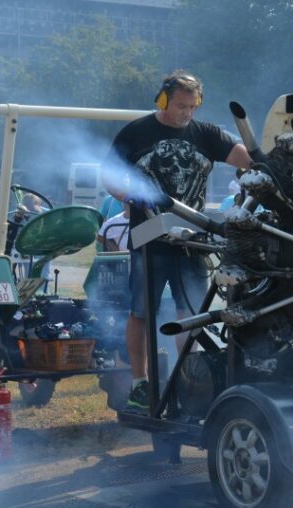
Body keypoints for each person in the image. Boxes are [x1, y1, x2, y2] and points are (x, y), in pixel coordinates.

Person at [104, 70, 251, 408]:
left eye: (193, 106)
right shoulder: (137, 131)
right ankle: (140, 382)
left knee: (192, 312)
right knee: (141, 312)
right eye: (181, 105)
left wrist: (263, 166)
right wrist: (129, 195)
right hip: (149, 239)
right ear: (163, 100)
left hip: (192, 241)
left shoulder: (207, 134)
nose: (188, 113)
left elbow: (245, 158)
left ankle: (189, 379)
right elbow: (107, 175)